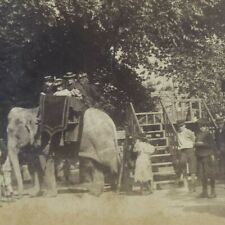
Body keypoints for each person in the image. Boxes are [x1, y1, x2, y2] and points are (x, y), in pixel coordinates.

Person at [195, 118, 217, 198]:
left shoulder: (209, 134)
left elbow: (212, 146)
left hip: (207, 156)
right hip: (200, 156)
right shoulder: (198, 134)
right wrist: (196, 144)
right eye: (200, 126)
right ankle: (204, 191)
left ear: (206, 126)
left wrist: (202, 144)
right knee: (202, 175)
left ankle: (213, 191)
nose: (201, 128)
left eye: (203, 126)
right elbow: (196, 144)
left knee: (210, 174)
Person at [176, 119, 197, 192]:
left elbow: (194, 140)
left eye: (182, 126)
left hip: (190, 150)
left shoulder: (189, 132)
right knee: (182, 165)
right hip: (183, 151)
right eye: (179, 126)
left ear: (184, 125)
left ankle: (193, 185)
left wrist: (192, 147)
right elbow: (177, 143)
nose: (180, 127)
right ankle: (186, 185)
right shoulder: (177, 133)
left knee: (192, 168)